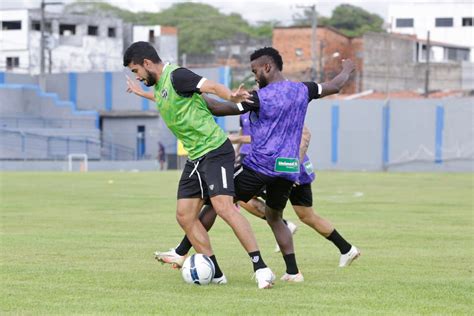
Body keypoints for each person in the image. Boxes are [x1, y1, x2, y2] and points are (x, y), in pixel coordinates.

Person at [156, 47, 356, 283]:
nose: (254, 76)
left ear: (268, 67)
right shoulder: (304, 89)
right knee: (274, 217)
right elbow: (335, 85)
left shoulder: (260, 97)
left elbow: (221, 108)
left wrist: (197, 96)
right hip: (289, 168)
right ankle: (293, 272)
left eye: (255, 71)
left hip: (260, 166)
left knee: (216, 202)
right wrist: (347, 69)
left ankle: (181, 252)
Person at [123, 41, 275, 289]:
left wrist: (231, 95)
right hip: (196, 158)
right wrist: (143, 94)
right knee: (184, 215)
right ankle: (214, 271)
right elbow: (167, 100)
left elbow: (212, 86)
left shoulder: (178, 76)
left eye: (135, 70)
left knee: (224, 207)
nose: (137, 77)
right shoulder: (161, 85)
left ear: (147, 63)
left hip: (214, 151)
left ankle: (261, 268)